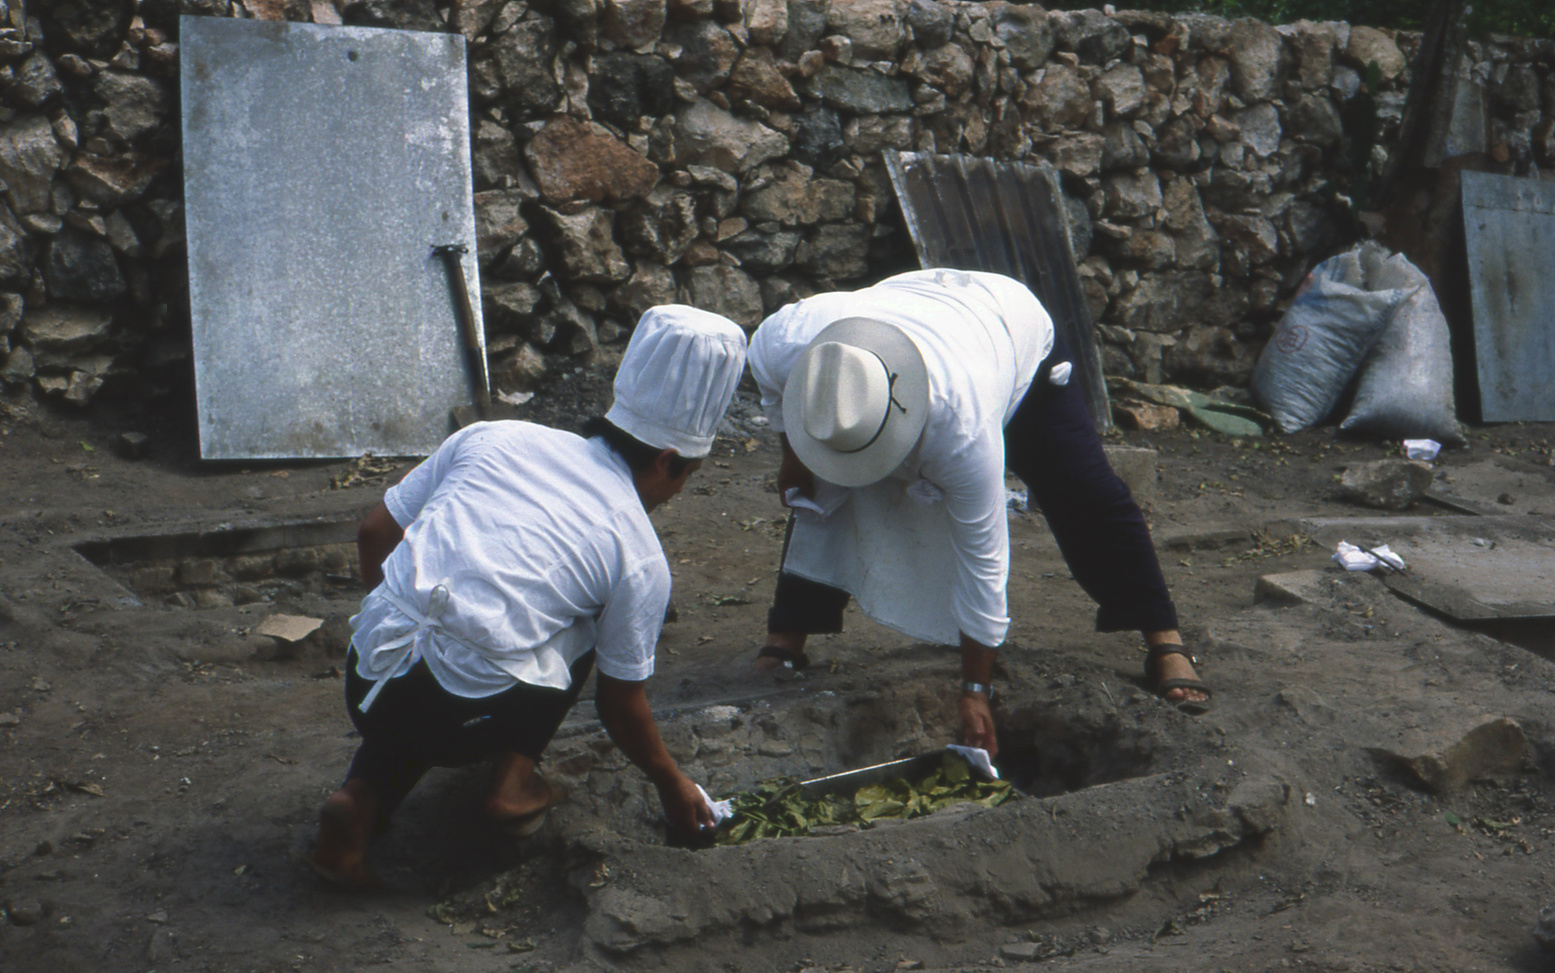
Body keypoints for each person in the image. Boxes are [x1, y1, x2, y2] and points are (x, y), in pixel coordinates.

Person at [304, 306, 747, 888]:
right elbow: (621, 706)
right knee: (579, 630)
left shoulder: (494, 436)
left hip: (366, 673)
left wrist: (404, 627)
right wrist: (672, 781)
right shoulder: (637, 553)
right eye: (684, 478)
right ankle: (510, 784)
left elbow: (373, 534)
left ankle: (357, 803)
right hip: (468, 714)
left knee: (438, 661)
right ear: (668, 460)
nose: (675, 493)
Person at [746, 269, 1210, 757]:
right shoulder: (789, 343)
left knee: (1085, 491)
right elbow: (777, 393)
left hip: (1011, 332)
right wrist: (796, 459)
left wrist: (975, 690)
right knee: (819, 485)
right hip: (923, 310)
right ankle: (787, 636)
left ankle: (1164, 638)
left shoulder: (962, 431)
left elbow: (984, 561)